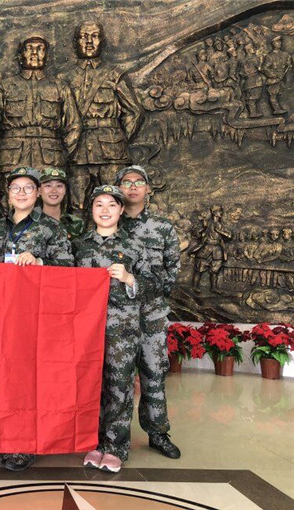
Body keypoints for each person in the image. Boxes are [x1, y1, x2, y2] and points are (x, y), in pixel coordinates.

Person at [0, 166, 73, 472]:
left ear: (37, 194)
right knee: (3, 380)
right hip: (0, 316)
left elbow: (68, 268)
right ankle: (4, 438)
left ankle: (25, 443)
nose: (21, 193)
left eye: (28, 188)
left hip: (36, 316)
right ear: (8, 195)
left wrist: (40, 261)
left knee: (29, 381)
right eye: (16, 188)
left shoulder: (51, 228)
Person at [73, 185, 155, 473]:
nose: (105, 210)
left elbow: (152, 285)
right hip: (86, 330)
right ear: (91, 210)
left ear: (121, 209)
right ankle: (93, 443)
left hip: (122, 330)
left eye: (111, 204)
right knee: (90, 386)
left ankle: (116, 447)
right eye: (99, 204)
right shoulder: (80, 245)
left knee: (119, 386)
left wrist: (130, 278)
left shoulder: (135, 245)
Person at [115, 165, 182, 461]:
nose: (132, 187)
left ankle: (158, 433)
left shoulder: (162, 227)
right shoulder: (109, 222)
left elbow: (171, 272)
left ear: (148, 188)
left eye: (138, 182)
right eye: (126, 182)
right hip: (116, 317)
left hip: (151, 315)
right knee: (116, 378)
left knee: (154, 374)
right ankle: (114, 437)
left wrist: (139, 287)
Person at [63, 21, 143, 213]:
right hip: (77, 151)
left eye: (94, 36)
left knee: (113, 202)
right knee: (77, 206)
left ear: (102, 41)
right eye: (84, 37)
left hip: (111, 152)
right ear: (75, 42)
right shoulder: (64, 78)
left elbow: (134, 112)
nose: (89, 42)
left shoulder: (114, 75)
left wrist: (118, 140)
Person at [0, 36, 81, 192]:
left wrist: (61, 154)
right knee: (10, 202)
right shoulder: (5, 86)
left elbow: (74, 125)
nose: (34, 53)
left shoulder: (60, 87)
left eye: (40, 49)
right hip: (12, 157)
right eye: (29, 48)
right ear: (19, 55)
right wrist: (1, 154)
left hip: (50, 157)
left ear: (47, 56)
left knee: (50, 201)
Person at [39, 167, 85, 241]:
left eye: (59, 186)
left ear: (65, 190)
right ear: (39, 190)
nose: (54, 191)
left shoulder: (76, 223)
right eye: (48, 186)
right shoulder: (29, 222)